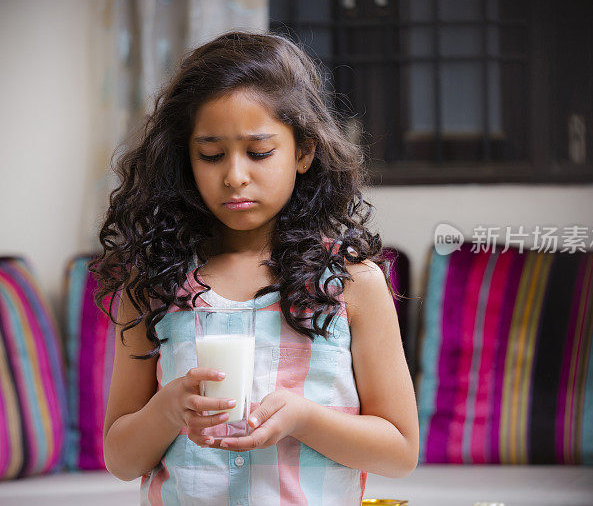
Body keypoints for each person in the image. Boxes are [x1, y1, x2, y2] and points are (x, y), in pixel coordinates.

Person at [91, 30, 418, 505]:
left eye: (259, 152)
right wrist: (168, 410)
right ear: (186, 157)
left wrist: (304, 418)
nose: (234, 175)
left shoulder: (352, 284)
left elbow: (400, 452)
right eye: (211, 154)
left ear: (303, 152)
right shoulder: (154, 286)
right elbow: (121, 460)